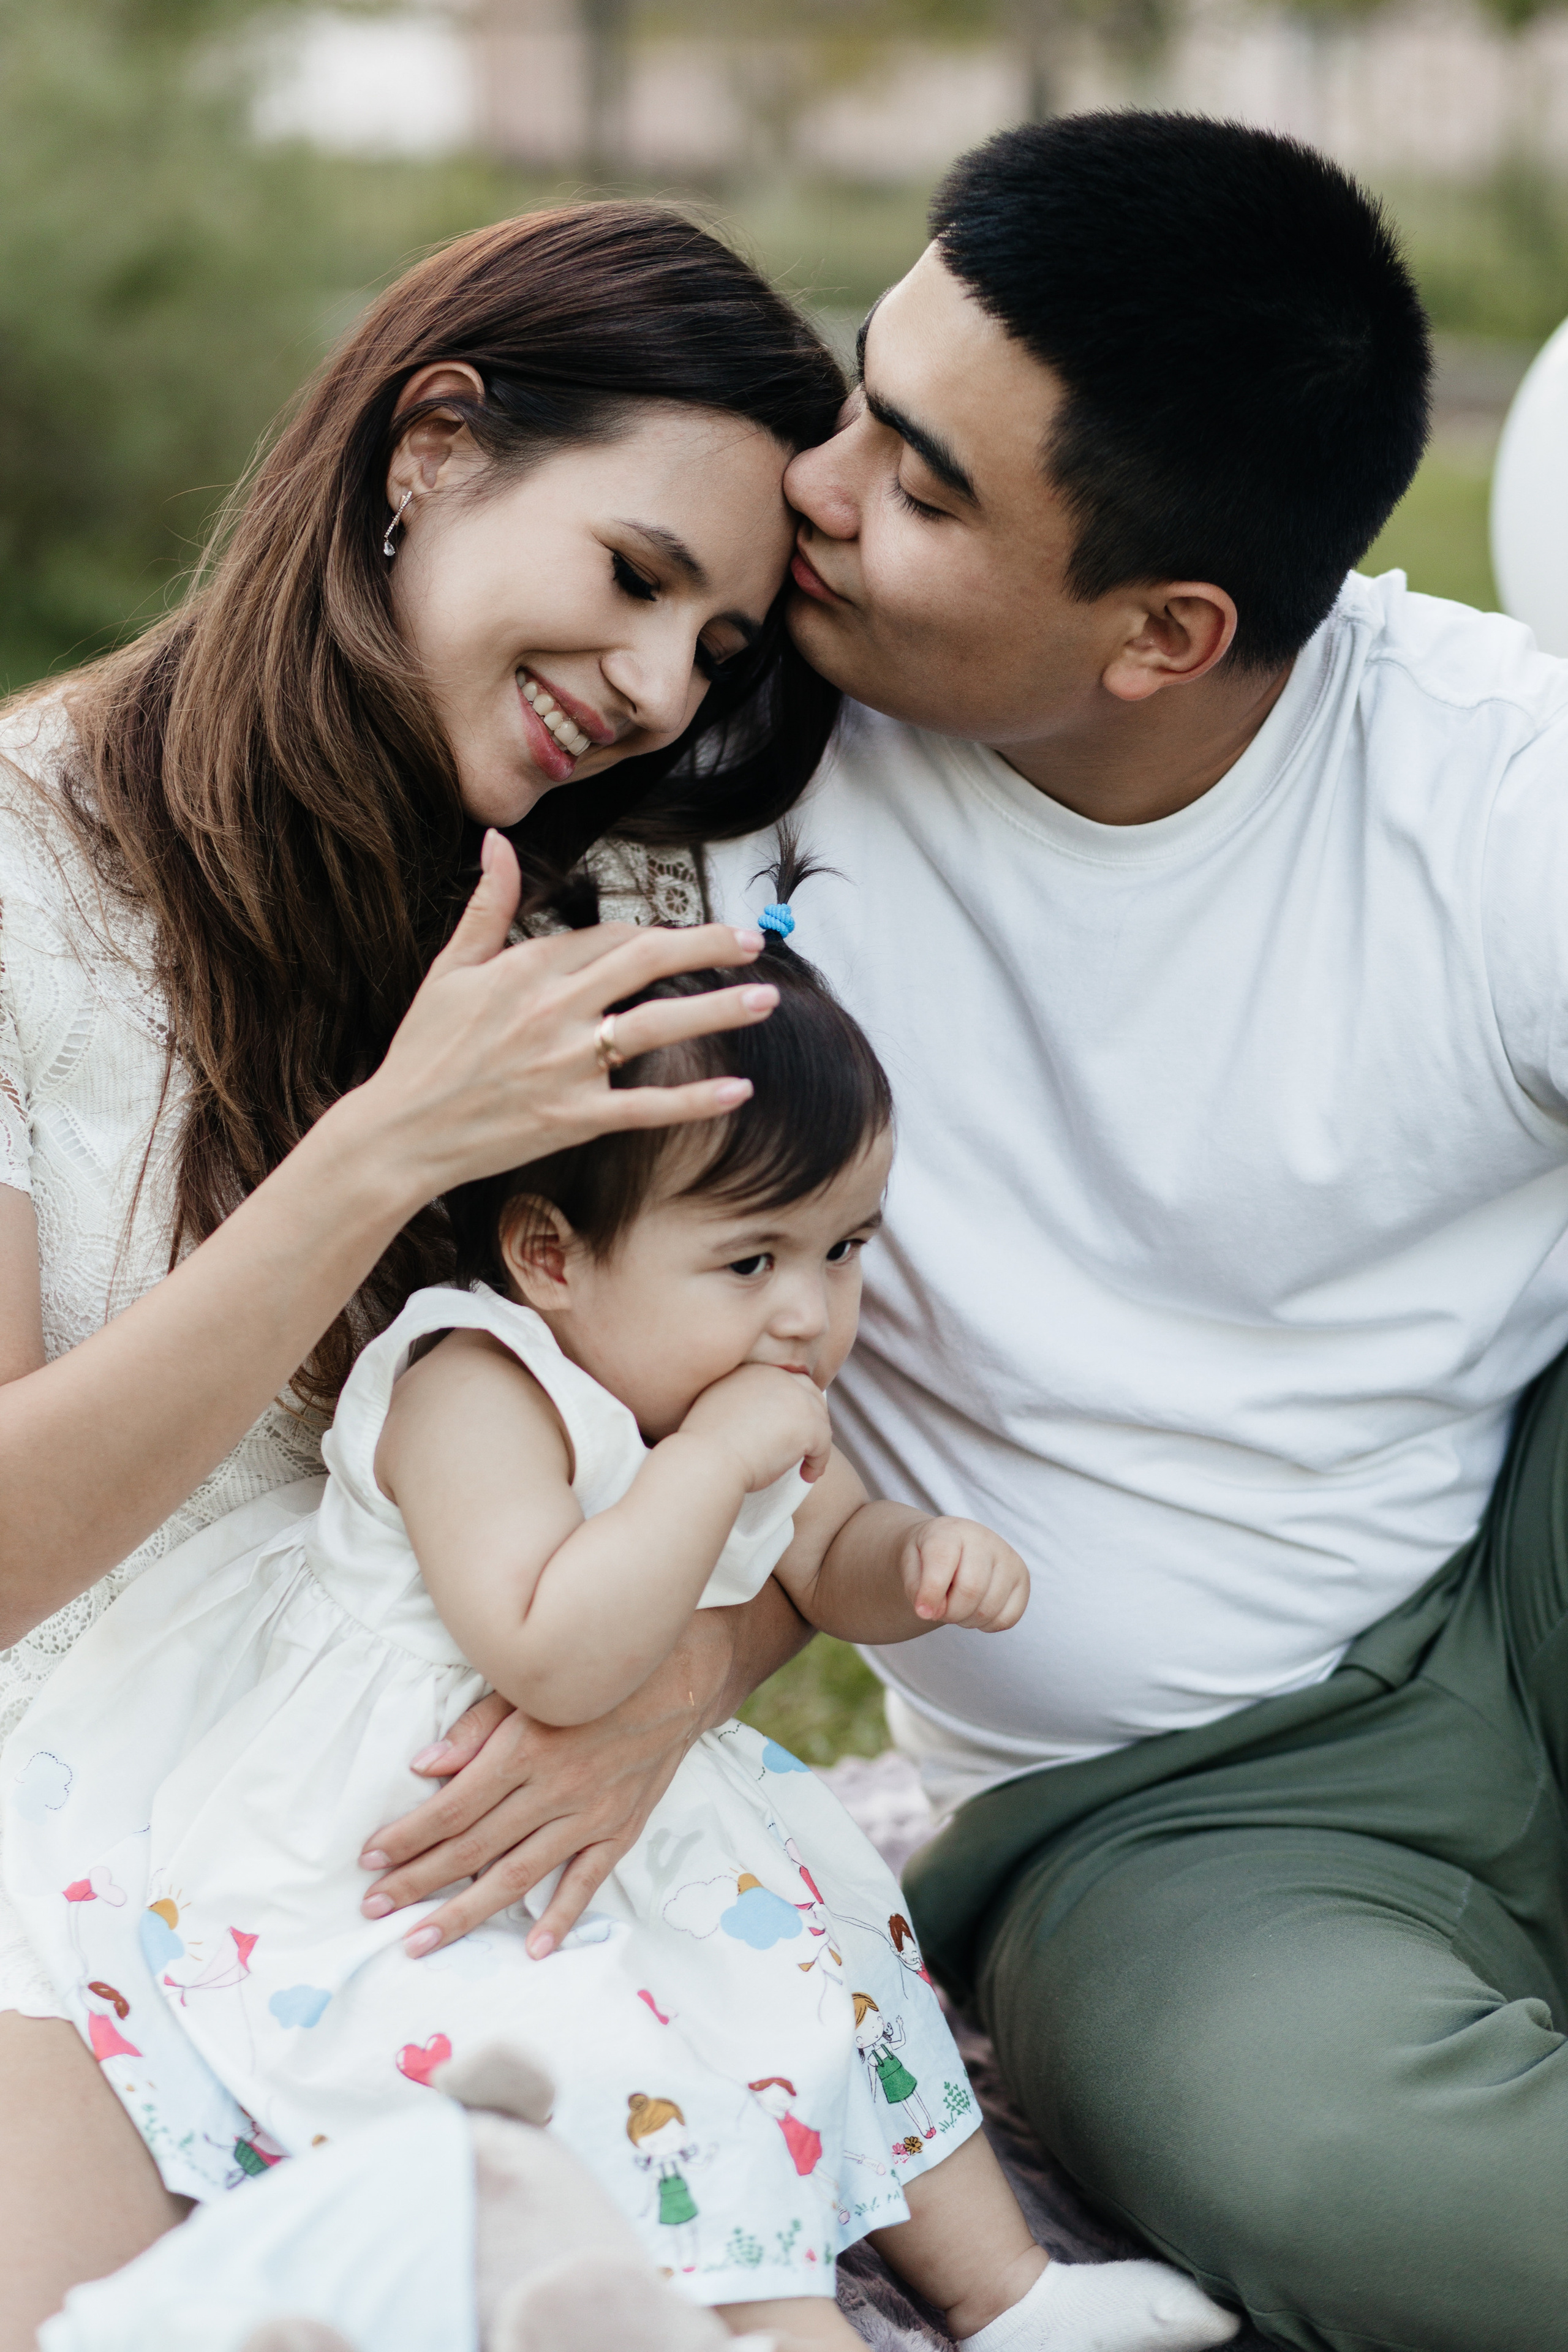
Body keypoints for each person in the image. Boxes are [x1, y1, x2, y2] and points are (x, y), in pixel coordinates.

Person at [700, 111, 1568, 2352]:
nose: (812, 491)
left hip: (1525, 1579)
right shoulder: (723, 796)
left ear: (1167, 632)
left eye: (918, 482)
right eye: (855, 394)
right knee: (1362, 2189)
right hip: (1176, 1819)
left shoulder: (1482, 785)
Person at [0, 197, 856, 2346]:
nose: (659, 686)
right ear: (430, 450)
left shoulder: (632, 898)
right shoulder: (21, 865)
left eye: (719, 651)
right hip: (60, 1770)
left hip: (437, 1747)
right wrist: (391, 1149)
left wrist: (668, 1683)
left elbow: (780, 1390)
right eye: (638, 579)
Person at [6, 877, 1236, 2352]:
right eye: (751, 1261)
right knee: (627, 2069)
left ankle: (1004, 2288)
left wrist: (914, 1559)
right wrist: (713, 1463)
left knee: (833, 1960)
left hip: (652, 1814)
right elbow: (554, 1649)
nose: (807, 1313)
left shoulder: (733, 1387)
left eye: (843, 1250)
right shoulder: (475, 1384)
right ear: (550, 1257)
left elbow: (817, 1551)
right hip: (421, 1822)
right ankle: (757, 2318)